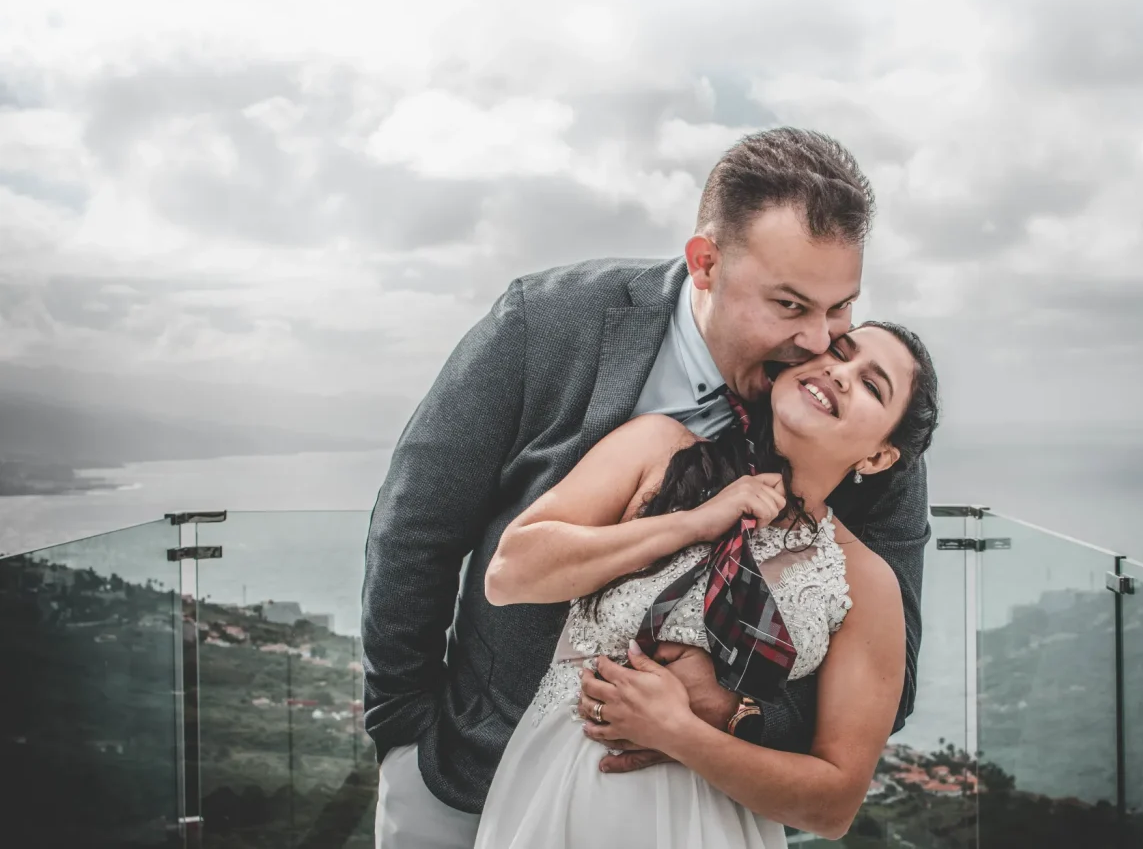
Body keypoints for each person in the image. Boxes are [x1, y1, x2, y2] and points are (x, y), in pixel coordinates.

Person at [362, 127, 933, 848]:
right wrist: (404, 728)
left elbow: (887, 678)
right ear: (706, 263)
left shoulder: (856, 430)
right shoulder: (548, 321)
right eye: (790, 306)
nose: (821, 342)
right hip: (469, 773)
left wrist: (721, 717)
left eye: (841, 306)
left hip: (705, 812)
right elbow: (418, 527)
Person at [474, 321, 938, 846]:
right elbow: (507, 575)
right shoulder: (656, 448)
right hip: (558, 797)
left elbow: (834, 807)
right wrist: (694, 524)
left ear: (878, 457)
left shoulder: (866, 582)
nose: (840, 373)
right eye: (837, 350)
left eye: (872, 385)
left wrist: (680, 733)